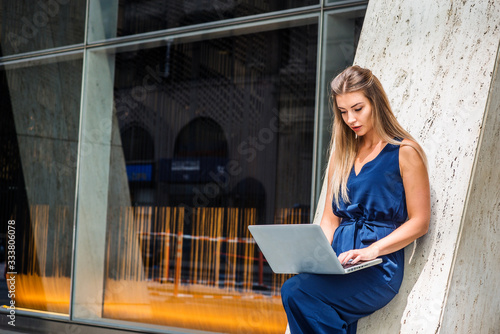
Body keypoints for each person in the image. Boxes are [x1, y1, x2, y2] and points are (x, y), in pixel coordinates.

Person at [280, 65, 431, 334]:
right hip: (338, 263)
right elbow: (329, 220)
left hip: (377, 267)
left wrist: (372, 250)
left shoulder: (404, 151)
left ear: (376, 103)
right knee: (318, 309)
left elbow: (420, 222)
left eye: (358, 108)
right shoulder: (341, 154)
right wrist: (313, 256)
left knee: (295, 291)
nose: (350, 118)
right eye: (343, 111)